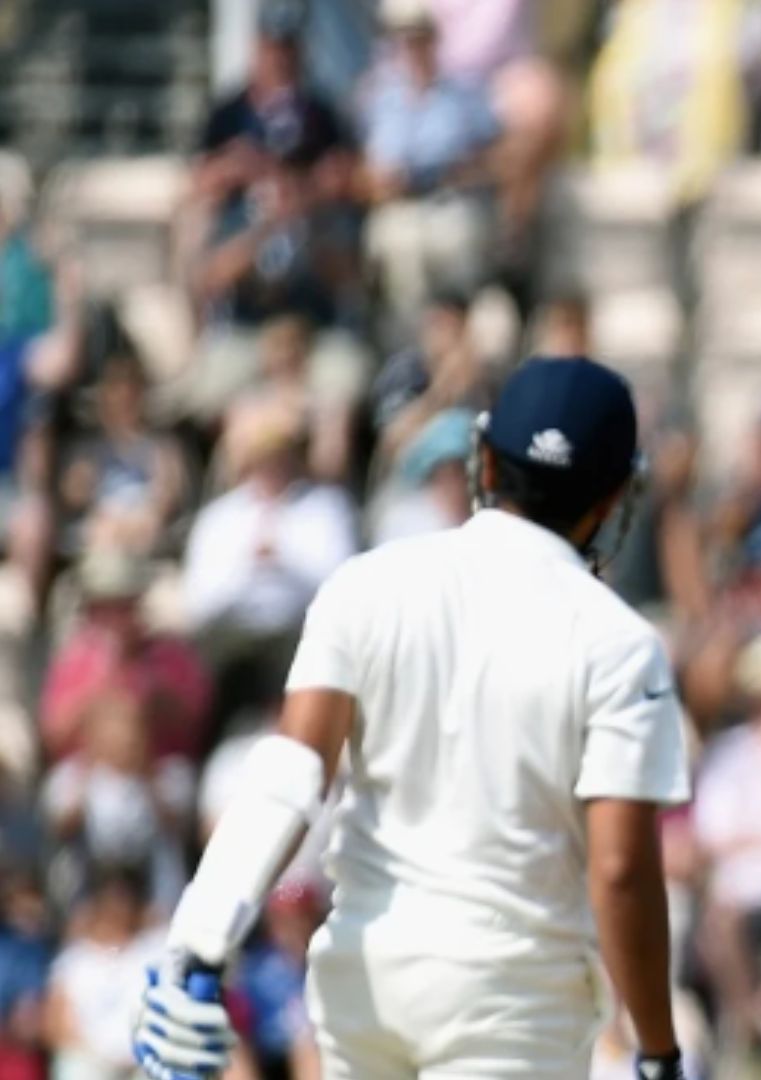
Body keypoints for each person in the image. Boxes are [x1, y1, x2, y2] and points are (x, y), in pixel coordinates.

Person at [129, 357, 693, 1080]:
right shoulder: (620, 644)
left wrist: (199, 943)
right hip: (512, 1003)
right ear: (617, 494)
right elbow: (619, 869)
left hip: (367, 981)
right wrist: (657, 1049)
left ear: (484, 459)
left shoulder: (367, 584)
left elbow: (291, 774)